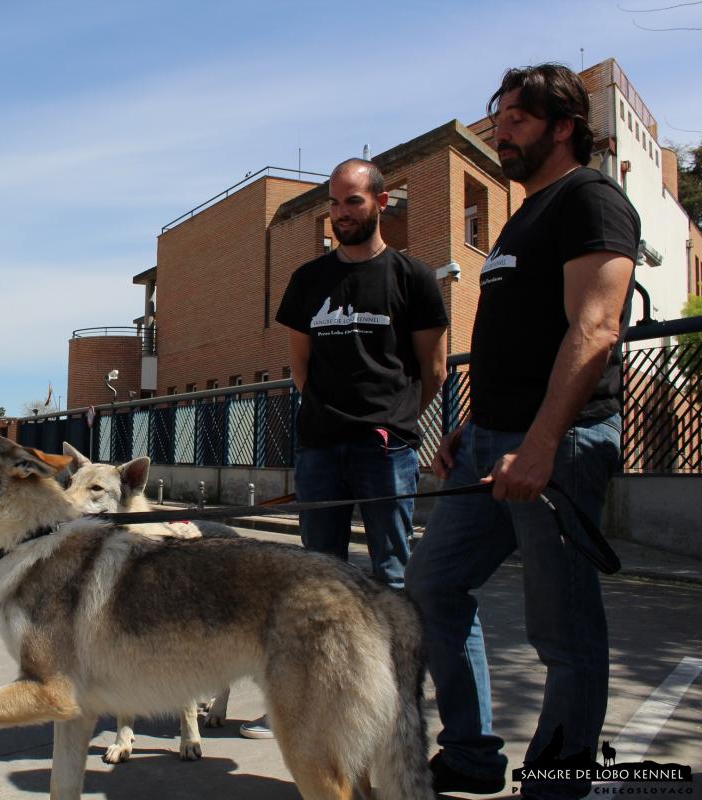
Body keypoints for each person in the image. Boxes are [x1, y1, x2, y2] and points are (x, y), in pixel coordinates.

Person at [405, 64, 639, 800]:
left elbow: (596, 326)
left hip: (558, 444)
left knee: (562, 632)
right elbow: (517, 342)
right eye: (498, 117)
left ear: (562, 125)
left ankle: (557, 782)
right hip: (491, 441)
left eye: (515, 118)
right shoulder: (523, 214)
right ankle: (472, 755)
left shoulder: (590, 200)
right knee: (433, 585)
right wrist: (469, 423)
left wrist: (539, 444)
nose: (499, 130)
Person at [242, 158, 448, 739]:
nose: (340, 214)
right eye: (333, 204)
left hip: (385, 449)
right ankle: (306, 701)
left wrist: (393, 421)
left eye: (352, 201)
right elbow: (301, 369)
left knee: (391, 574)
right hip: (320, 449)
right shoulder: (309, 280)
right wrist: (331, 422)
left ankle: (393, 706)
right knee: (317, 579)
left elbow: (432, 369)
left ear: (383, 202)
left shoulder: (414, 278)